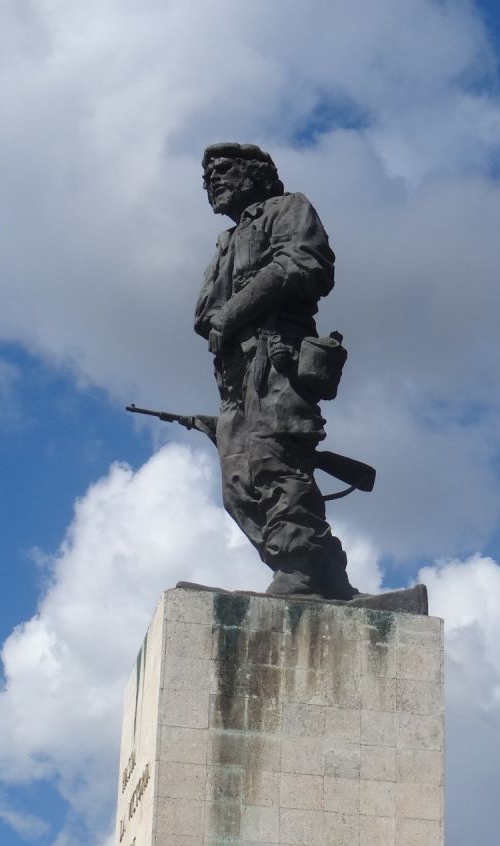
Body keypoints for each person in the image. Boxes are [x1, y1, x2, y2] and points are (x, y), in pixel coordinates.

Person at [194, 142, 355, 599]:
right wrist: (221, 318)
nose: (214, 183)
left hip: (277, 359)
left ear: (255, 174)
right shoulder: (226, 241)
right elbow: (203, 313)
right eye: (208, 178)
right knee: (237, 484)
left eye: (224, 171)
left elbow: (304, 263)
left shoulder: (288, 209)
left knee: (274, 463)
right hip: (234, 376)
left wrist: (235, 311)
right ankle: (323, 568)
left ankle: (300, 565)